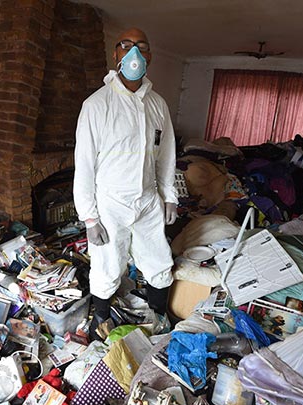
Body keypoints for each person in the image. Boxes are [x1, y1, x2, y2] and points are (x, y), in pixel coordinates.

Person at [73, 27, 178, 338]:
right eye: (126, 45)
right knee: (108, 264)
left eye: (141, 46)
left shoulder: (158, 105)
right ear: (116, 54)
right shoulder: (97, 105)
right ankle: (101, 319)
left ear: (149, 57)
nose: (134, 52)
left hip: (147, 199)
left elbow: (166, 155)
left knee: (159, 260)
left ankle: (158, 317)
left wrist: (169, 196)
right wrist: (89, 217)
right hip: (110, 202)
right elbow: (85, 164)